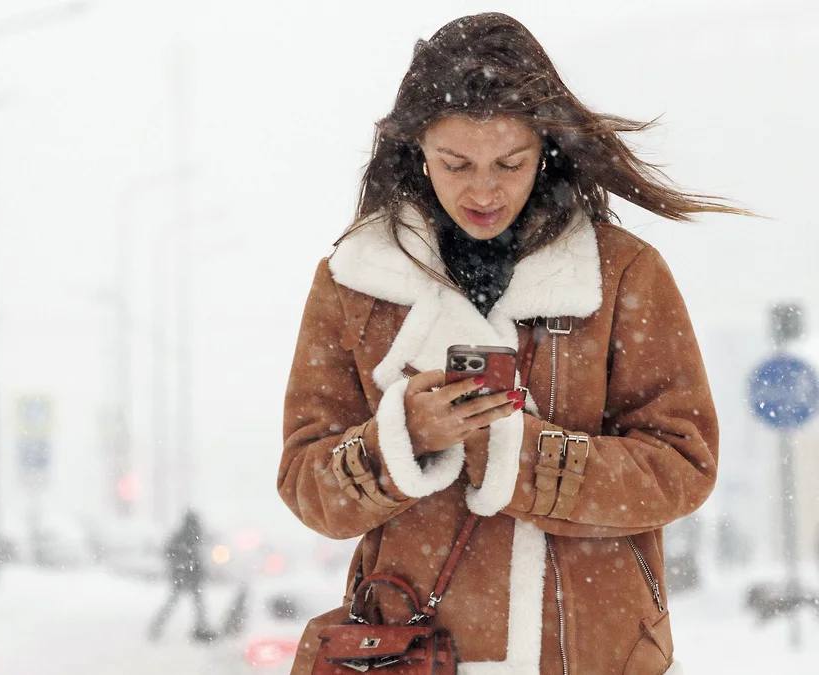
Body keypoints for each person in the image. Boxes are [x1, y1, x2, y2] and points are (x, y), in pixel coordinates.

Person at [277, 13, 742, 674]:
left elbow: (684, 465)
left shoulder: (623, 275)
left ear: (545, 148)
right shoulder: (353, 282)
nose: (485, 189)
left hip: (592, 654)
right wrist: (403, 434)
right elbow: (306, 484)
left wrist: (517, 455)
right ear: (416, 151)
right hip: (417, 651)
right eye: (456, 163)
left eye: (510, 162)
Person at [147, 510, 214, 643]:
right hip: (186, 574)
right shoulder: (188, 536)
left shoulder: (189, 535)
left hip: (186, 574)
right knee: (191, 604)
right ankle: (200, 628)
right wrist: (184, 563)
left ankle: (158, 626)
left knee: (184, 603)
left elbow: (172, 552)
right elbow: (171, 552)